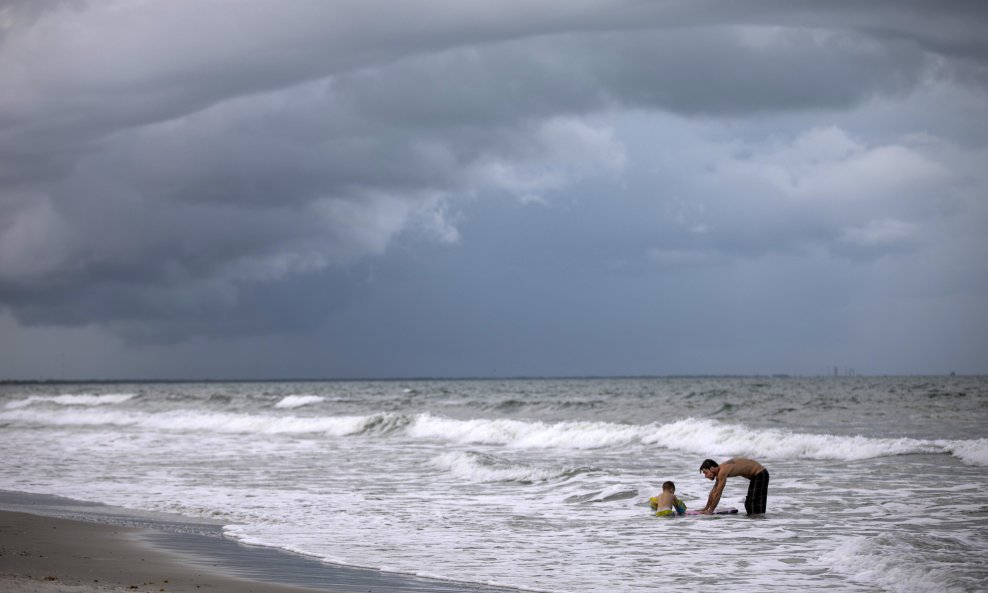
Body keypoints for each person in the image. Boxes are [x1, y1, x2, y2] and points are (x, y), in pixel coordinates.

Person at [699, 458, 769, 515]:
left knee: (753, 507)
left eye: (706, 472)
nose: (705, 476)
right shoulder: (719, 472)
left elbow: (718, 493)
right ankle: (758, 524)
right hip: (756, 476)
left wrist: (710, 510)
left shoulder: (722, 471)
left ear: (712, 468)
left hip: (760, 474)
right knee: (749, 505)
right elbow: (713, 492)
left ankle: (759, 525)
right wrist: (706, 508)